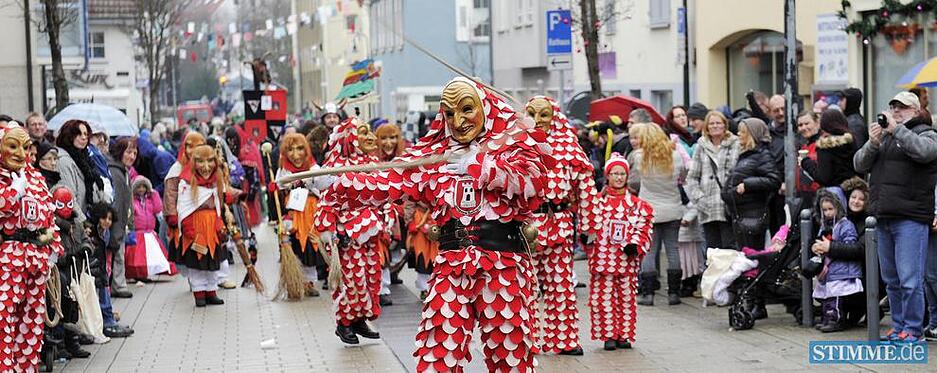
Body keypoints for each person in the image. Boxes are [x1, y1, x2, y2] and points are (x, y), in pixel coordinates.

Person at [315, 77, 552, 371]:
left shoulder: (512, 146)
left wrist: (479, 165)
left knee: (510, 359)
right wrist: (339, 183)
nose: (458, 121)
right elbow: (388, 180)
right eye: (449, 113)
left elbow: (532, 182)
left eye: (466, 109)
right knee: (436, 356)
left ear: (484, 108)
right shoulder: (436, 157)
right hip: (451, 267)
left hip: (502, 268)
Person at [854, 91, 937, 342]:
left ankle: (913, 330)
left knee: (910, 279)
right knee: (891, 280)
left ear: (915, 110)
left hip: (911, 217)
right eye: (892, 107)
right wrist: (872, 142)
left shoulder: (926, 133)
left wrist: (897, 130)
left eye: (901, 107)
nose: (895, 111)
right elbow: (859, 164)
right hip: (883, 216)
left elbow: (925, 152)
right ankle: (899, 326)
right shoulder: (886, 137)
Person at [524, 95, 599, 355]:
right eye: (531, 114)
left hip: (559, 223)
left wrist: (591, 227)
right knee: (525, 288)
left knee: (561, 285)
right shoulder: (519, 146)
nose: (537, 121)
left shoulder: (569, 147)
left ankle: (564, 340)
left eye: (543, 115)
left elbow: (586, 187)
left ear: (554, 116)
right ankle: (527, 341)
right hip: (526, 226)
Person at [313, 117, 393, 344]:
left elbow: (384, 196)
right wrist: (328, 230)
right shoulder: (335, 170)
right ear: (349, 139)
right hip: (346, 235)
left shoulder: (373, 164)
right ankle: (344, 323)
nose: (370, 137)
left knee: (368, 278)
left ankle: (359, 319)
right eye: (363, 133)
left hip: (369, 233)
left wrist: (387, 217)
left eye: (370, 132)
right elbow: (326, 203)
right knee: (348, 280)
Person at [0, 122, 64, 371]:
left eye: (25, 147)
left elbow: (49, 217)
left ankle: (27, 367)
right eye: (12, 146)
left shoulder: (36, 177)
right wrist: (13, 192)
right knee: (5, 317)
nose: (20, 154)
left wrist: (53, 248)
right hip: (8, 255)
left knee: (32, 319)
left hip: (36, 256)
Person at [587, 153, 654, 351]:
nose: (618, 177)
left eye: (622, 173)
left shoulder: (638, 205)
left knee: (626, 297)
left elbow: (644, 228)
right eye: (615, 173)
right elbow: (587, 227)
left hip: (627, 259)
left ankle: (624, 335)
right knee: (603, 297)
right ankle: (608, 335)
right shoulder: (596, 204)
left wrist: (635, 244)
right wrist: (586, 237)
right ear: (607, 176)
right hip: (602, 258)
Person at [171, 144, 239, 307]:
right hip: (195, 229)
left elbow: (218, 207)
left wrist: (220, 226)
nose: (206, 167)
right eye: (201, 162)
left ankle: (211, 291)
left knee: (211, 263)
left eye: (210, 161)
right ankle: (199, 293)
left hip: (212, 230)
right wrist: (190, 231)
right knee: (197, 265)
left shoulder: (215, 183)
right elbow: (184, 210)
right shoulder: (186, 184)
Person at [628, 122, 687, 306]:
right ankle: (674, 294)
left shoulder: (640, 157)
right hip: (673, 208)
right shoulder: (676, 156)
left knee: (649, 251)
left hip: (649, 209)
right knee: (672, 249)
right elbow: (683, 177)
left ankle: (648, 294)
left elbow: (635, 181)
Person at [272, 133, 328, 297]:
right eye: (290, 150)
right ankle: (295, 281)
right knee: (295, 247)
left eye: (299, 149)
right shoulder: (283, 171)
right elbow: (279, 190)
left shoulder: (314, 168)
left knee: (311, 248)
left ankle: (309, 283)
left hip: (311, 214)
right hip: (293, 214)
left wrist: (307, 182)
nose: (295, 155)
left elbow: (323, 187)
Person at [723, 118, 781, 251]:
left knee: (751, 257)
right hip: (740, 214)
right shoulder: (747, 155)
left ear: (752, 135)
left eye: (742, 132)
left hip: (752, 215)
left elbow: (774, 180)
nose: (738, 134)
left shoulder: (762, 155)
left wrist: (748, 185)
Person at [684, 111, 740, 250]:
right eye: (711, 123)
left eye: (718, 123)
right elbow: (692, 177)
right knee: (712, 249)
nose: (715, 126)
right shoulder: (701, 146)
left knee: (729, 248)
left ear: (724, 125)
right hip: (707, 206)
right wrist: (699, 199)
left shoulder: (735, 144)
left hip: (728, 205)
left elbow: (737, 173)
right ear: (707, 127)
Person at [810, 188, 862, 333]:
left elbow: (850, 244)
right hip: (830, 269)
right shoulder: (825, 226)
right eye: (824, 210)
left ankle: (836, 319)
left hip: (841, 269)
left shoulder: (845, 225)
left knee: (836, 298)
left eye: (830, 209)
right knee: (828, 296)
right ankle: (827, 318)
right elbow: (820, 240)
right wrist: (816, 247)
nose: (827, 213)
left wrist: (829, 247)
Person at [50, 186, 93, 359]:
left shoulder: (77, 225)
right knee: (60, 309)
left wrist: (85, 249)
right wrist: (66, 257)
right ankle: (60, 345)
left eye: (69, 203)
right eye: (62, 203)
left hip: (75, 271)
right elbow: (51, 251)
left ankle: (73, 343)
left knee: (74, 308)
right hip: (60, 275)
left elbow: (86, 240)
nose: (66, 208)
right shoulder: (51, 226)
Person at [86, 202, 135, 338]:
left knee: (104, 293)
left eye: (109, 219)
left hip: (102, 269)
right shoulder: (92, 233)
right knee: (101, 295)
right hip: (95, 270)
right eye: (104, 218)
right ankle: (107, 322)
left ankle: (108, 319)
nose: (107, 222)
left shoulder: (105, 232)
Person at [163, 132, 207, 277]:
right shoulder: (177, 169)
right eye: (190, 146)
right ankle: (196, 283)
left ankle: (205, 283)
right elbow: (170, 193)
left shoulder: (204, 166)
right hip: (183, 218)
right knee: (187, 251)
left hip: (202, 217)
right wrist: (171, 214)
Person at [374, 123, 408, 306]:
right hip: (380, 214)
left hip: (402, 213)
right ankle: (382, 288)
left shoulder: (406, 161)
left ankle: (392, 274)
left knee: (401, 249)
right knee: (383, 252)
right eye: (384, 138)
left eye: (393, 137)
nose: (389, 142)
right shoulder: (371, 162)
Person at [55, 120, 109, 220]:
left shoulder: (86, 159)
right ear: (69, 136)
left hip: (89, 222)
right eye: (78, 134)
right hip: (76, 224)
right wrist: (83, 223)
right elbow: (69, 198)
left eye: (85, 134)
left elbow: (96, 189)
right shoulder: (63, 160)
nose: (84, 137)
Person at [127, 175, 176, 280]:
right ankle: (139, 274)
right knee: (140, 257)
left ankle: (147, 273)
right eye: (138, 187)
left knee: (152, 256)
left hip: (149, 232)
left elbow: (158, 209)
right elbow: (130, 213)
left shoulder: (150, 200)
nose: (141, 189)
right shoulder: (133, 202)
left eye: (143, 187)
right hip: (138, 232)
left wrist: (154, 195)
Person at [107, 137, 137, 298]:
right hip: (116, 222)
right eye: (128, 152)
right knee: (116, 255)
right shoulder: (116, 172)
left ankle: (118, 284)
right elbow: (117, 201)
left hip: (121, 222)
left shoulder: (124, 171)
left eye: (134, 152)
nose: (132, 156)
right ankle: (118, 285)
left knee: (119, 254)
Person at [801, 109, 857, 189]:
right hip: (852, 192)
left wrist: (806, 162)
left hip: (834, 196)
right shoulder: (851, 141)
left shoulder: (825, 147)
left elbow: (824, 178)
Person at [794, 110, 821, 204]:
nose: (803, 127)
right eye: (800, 125)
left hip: (819, 195)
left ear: (817, 123)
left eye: (807, 123)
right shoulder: (804, 146)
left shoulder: (823, 144)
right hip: (804, 195)